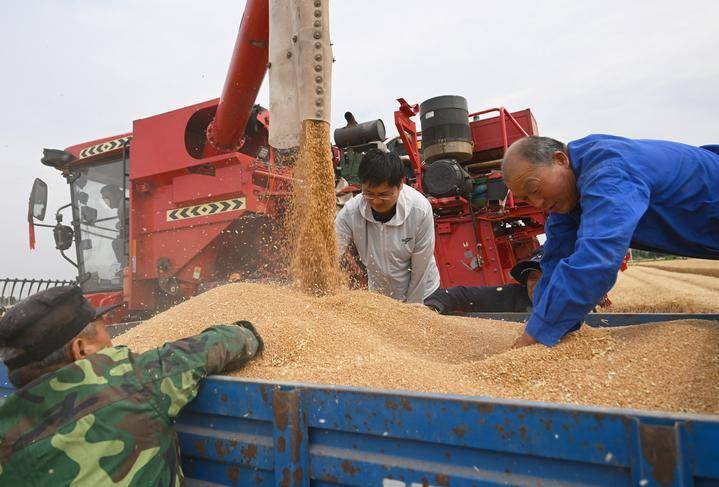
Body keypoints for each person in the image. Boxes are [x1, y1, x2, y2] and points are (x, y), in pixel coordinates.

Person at [0, 286, 263, 485]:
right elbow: (219, 345)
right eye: (107, 334)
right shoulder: (130, 380)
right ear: (81, 349)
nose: (113, 343)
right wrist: (252, 333)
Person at [502, 134, 719, 348]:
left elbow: (597, 258)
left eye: (534, 189)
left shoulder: (609, 171)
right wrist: (539, 323)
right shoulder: (566, 203)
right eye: (527, 199)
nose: (538, 202)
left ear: (560, 160)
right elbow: (554, 262)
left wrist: (540, 332)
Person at [335, 149, 440, 303]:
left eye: (384, 195)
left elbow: (420, 267)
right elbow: (332, 250)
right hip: (382, 297)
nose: (376, 201)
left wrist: (414, 308)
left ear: (400, 186)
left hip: (424, 292)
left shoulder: (419, 210)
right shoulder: (351, 212)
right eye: (369, 194)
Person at [424, 247, 543, 314]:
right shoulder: (515, 296)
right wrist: (432, 308)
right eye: (533, 278)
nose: (538, 284)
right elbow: (460, 295)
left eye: (547, 277)